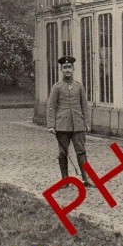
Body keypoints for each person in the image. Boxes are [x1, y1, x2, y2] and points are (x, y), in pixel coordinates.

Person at [46, 55, 92, 187]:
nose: (67, 70)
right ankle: (65, 180)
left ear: (73, 69)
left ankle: (86, 179)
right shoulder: (57, 87)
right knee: (62, 153)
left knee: (81, 151)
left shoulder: (79, 86)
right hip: (62, 125)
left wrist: (87, 123)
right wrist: (51, 125)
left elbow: (84, 105)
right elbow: (51, 106)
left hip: (78, 124)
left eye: (69, 67)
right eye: (64, 67)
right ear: (61, 69)